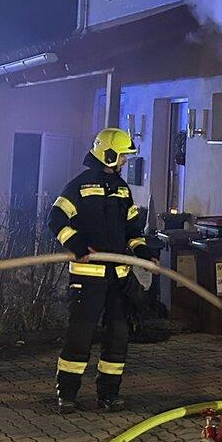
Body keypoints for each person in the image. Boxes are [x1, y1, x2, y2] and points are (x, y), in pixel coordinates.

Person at [46, 128, 150, 414]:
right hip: (88, 277)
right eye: (123, 156)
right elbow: (55, 219)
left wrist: (142, 250)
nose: (125, 161)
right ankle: (67, 395)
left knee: (118, 337)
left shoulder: (122, 189)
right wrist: (78, 245)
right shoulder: (79, 186)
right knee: (80, 337)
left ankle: (109, 395)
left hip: (118, 277)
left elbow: (132, 229)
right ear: (109, 153)